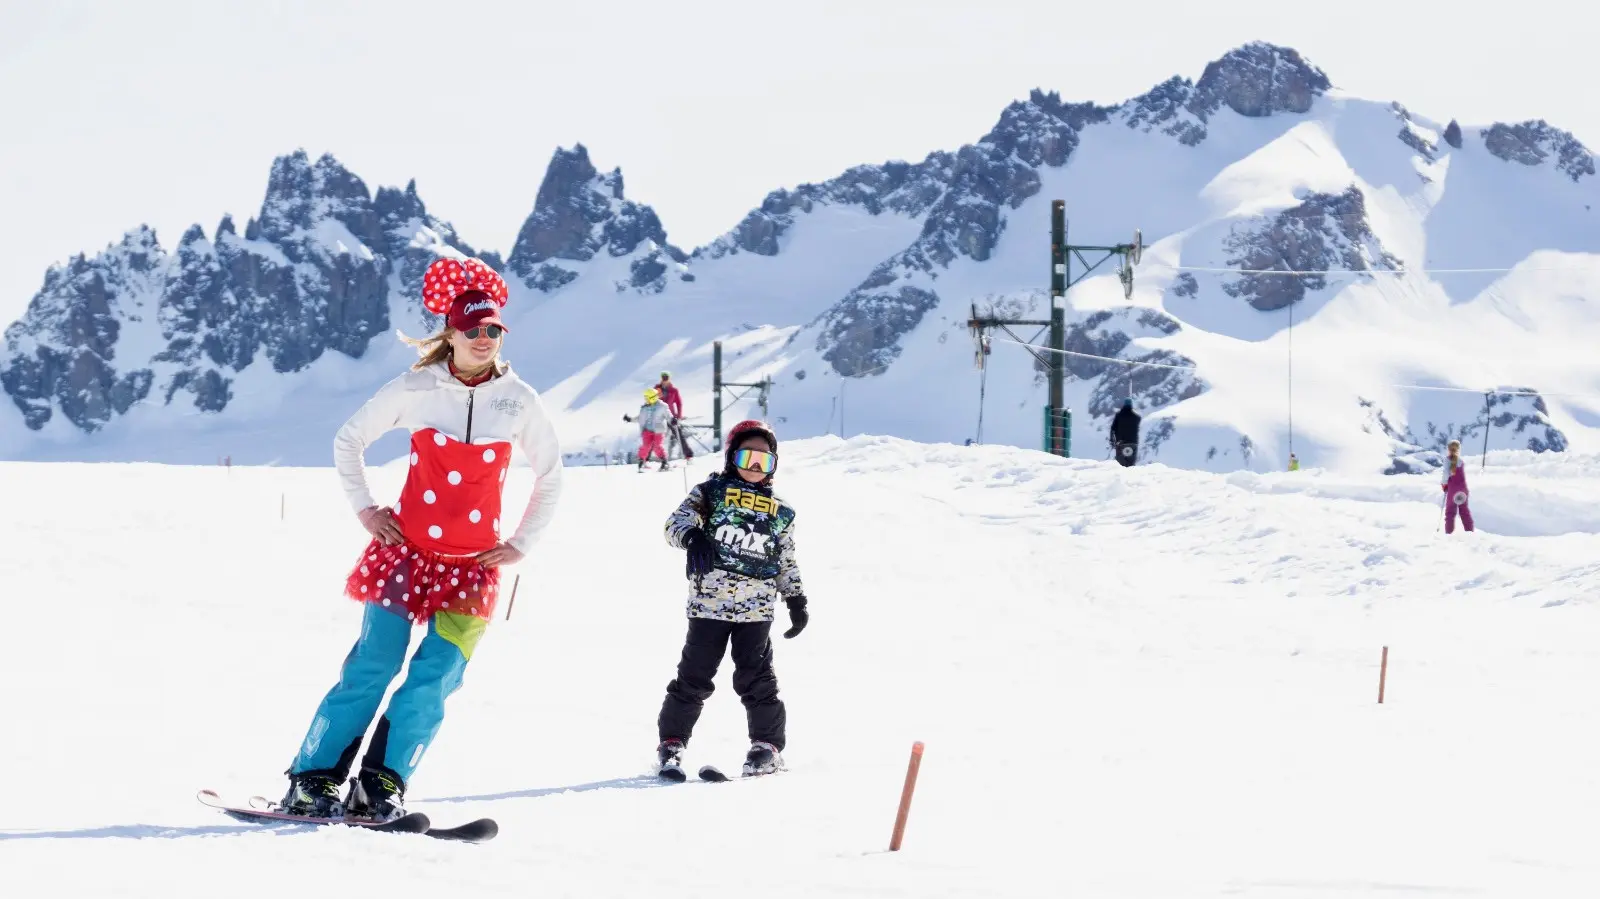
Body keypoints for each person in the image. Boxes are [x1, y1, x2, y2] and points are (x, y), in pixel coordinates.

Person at [278, 256, 565, 821]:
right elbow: (348, 440)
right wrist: (366, 511)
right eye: (473, 329)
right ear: (451, 334)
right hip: (404, 556)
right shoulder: (417, 387)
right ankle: (312, 781)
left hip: (473, 569)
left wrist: (522, 542)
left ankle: (380, 785)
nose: (484, 339)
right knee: (374, 666)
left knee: (435, 679)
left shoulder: (518, 399)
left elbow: (551, 474)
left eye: (493, 331)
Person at [654, 419, 808, 781]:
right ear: (731, 457)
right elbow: (673, 524)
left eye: (764, 461)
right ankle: (672, 743)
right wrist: (693, 536)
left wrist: (796, 599)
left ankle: (766, 747)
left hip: (757, 609)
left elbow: (786, 558)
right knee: (694, 676)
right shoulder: (710, 493)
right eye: (748, 457)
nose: (755, 467)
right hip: (710, 604)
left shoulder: (780, 511)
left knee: (757, 679)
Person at [624, 387, 672, 472]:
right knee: (645, 446)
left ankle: (665, 462)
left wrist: (673, 420)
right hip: (647, 429)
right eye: (645, 398)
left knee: (657, 446)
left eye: (647, 398)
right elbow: (640, 418)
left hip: (658, 428)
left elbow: (668, 416)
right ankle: (642, 462)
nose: (646, 400)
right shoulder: (645, 408)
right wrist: (630, 419)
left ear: (653, 397)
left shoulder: (662, 406)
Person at [656, 371, 693, 460]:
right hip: (659, 416)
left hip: (671, 416)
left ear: (669, 379)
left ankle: (688, 455)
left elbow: (679, 403)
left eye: (666, 378)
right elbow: (652, 401)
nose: (664, 380)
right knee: (654, 435)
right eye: (663, 378)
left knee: (678, 434)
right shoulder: (657, 389)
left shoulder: (673, 390)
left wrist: (679, 416)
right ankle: (647, 458)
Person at [1441, 438, 1474, 534]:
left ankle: (1449, 534)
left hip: (1453, 490)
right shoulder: (1461, 461)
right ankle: (1469, 532)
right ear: (1458, 449)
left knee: (1450, 513)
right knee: (1464, 512)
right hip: (1463, 490)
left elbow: (1446, 475)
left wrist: (1444, 485)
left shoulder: (1447, 460)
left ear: (1448, 449)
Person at [1110, 398, 1141, 467]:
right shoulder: (1136, 417)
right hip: (1133, 443)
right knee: (1131, 465)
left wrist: (1112, 440)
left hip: (1121, 443)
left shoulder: (1118, 415)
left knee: (1121, 465)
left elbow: (1113, 428)